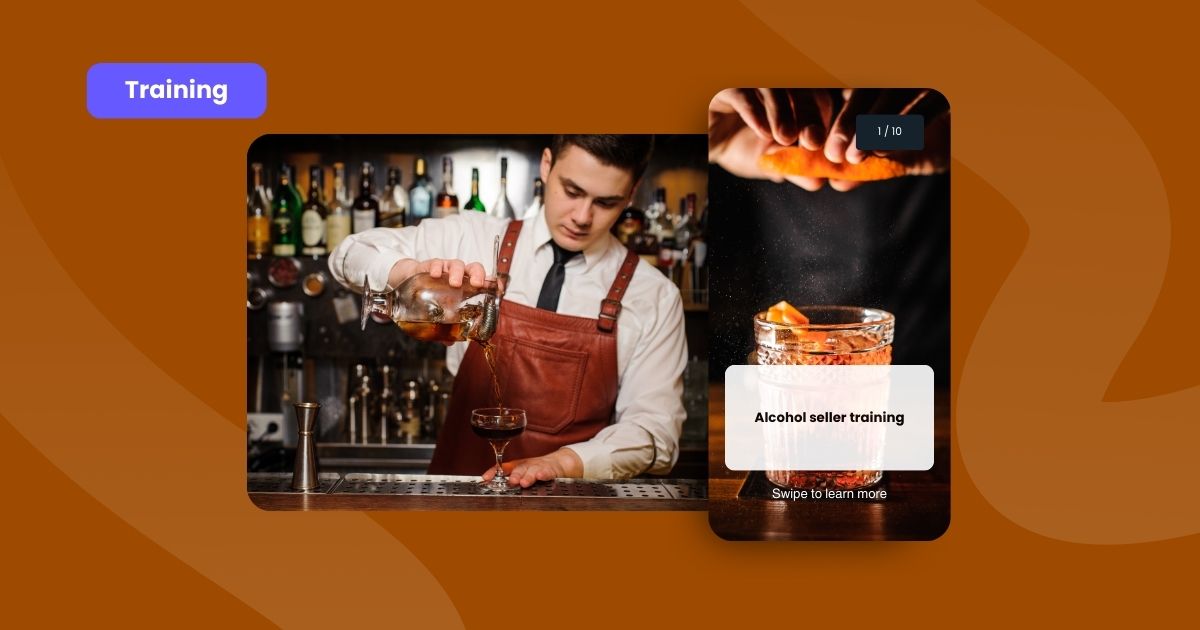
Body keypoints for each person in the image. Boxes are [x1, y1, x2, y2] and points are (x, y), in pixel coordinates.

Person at [330, 135, 687, 487]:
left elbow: (655, 433)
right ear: (547, 166)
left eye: (606, 202)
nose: (582, 216)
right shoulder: (473, 235)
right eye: (572, 191)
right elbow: (348, 253)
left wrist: (565, 463)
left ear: (633, 192)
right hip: (457, 496)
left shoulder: (654, 295)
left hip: (572, 504)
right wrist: (404, 273)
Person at [706, 88, 951, 385]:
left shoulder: (926, 129)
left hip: (935, 370)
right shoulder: (753, 127)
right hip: (788, 367)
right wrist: (711, 140)